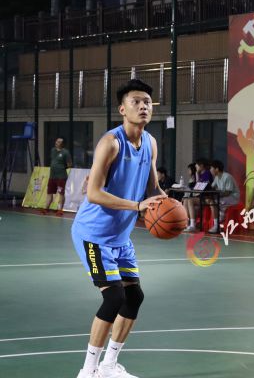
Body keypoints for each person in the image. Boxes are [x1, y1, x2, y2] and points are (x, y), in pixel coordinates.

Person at [71, 79, 166, 378]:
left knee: (134, 297)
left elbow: (153, 186)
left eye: (147, 102)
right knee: (114, 298)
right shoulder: (111, 143)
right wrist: (137, 206)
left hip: (120, 236)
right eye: (136, 101)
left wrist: (168, 204)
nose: (143, 106)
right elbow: (93, 193)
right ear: (122, 109)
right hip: (93, 234)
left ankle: (109, 366)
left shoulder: (150, 143)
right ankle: (88, 371)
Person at [208, 159, 240, 233]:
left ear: (217, 169)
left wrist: (216, 195)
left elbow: (228, 192)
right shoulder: (216, 177)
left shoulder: (227, 177)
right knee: (211, 201)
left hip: (232, 197)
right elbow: (211, 187)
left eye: (211, 168)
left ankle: (217, 225)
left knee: (214, 202)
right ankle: (219, 219)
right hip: (224, 197)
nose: (210, 170)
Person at [42, 137, 72, 216]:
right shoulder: (53, 150)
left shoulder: (66, 152)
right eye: (56, 141)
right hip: (52, 176)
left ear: (62, 144)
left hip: (61, 177)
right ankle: (46, 209)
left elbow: (69, 164)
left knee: (61, 193)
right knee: (49, 192)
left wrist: (61, 168)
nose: (56, 143)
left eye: (59, 142)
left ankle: (59, 210)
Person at [183, 158, 213, 232]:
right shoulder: (200, 174)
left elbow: (202, 187)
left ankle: (193, 224)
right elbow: (197, 186)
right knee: (186, 200)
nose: (196, 167)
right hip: (200, 196)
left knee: (190, 200)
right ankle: (187, 223)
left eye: (197, 165)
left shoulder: (207, 173)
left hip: (206, 197)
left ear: (201, 165)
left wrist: (197, 176)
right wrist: (197, 174)